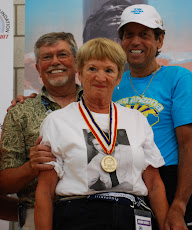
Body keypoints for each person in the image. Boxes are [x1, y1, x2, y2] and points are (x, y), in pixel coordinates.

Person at [34, 37, 168, 230]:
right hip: (80, 217)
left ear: (119, 77)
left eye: (109, 70)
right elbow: (45, 191)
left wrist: (165, 224)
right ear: (79, 73)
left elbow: (154, 183)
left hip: (133, 216)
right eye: (92, 69)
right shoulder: (57, 121)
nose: (100, 77)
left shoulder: (137, 119)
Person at [112, 4, 192, 230]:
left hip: (169, 181)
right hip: (122, 186)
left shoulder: (179, 78)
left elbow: (189, 145)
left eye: (144, 35)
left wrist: (179, 205)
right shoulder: (111, 83)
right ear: (121, 41)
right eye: (129, 35)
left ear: (159, 41)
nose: (135, 42)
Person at [0, 32, 82, 230]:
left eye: (62, 54)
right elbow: (3, 184)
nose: (55, 62)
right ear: (38, 68)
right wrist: (32, 166)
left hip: (92, 211)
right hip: (36, 214)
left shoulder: (99, 106)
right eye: (47, 57)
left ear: (77, 62)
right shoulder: (20, 113)